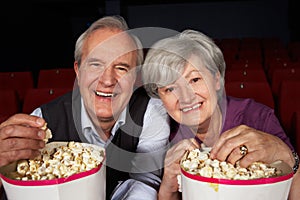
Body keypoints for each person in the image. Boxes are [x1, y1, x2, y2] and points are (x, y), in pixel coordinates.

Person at [0, 16, 170, 200]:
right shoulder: (43, 120)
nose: (107, 80)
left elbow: (145, 181)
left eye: (121, 68)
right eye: (95, 64)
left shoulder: (152, 113)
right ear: (78, 72)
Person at [141, 29, 300, 199]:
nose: (186, 97)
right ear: (160, 97)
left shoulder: (257, 116)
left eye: (195, 80)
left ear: (216, 79)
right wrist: (167, 185)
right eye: (170, 88)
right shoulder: (158, 133)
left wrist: (284, 154)